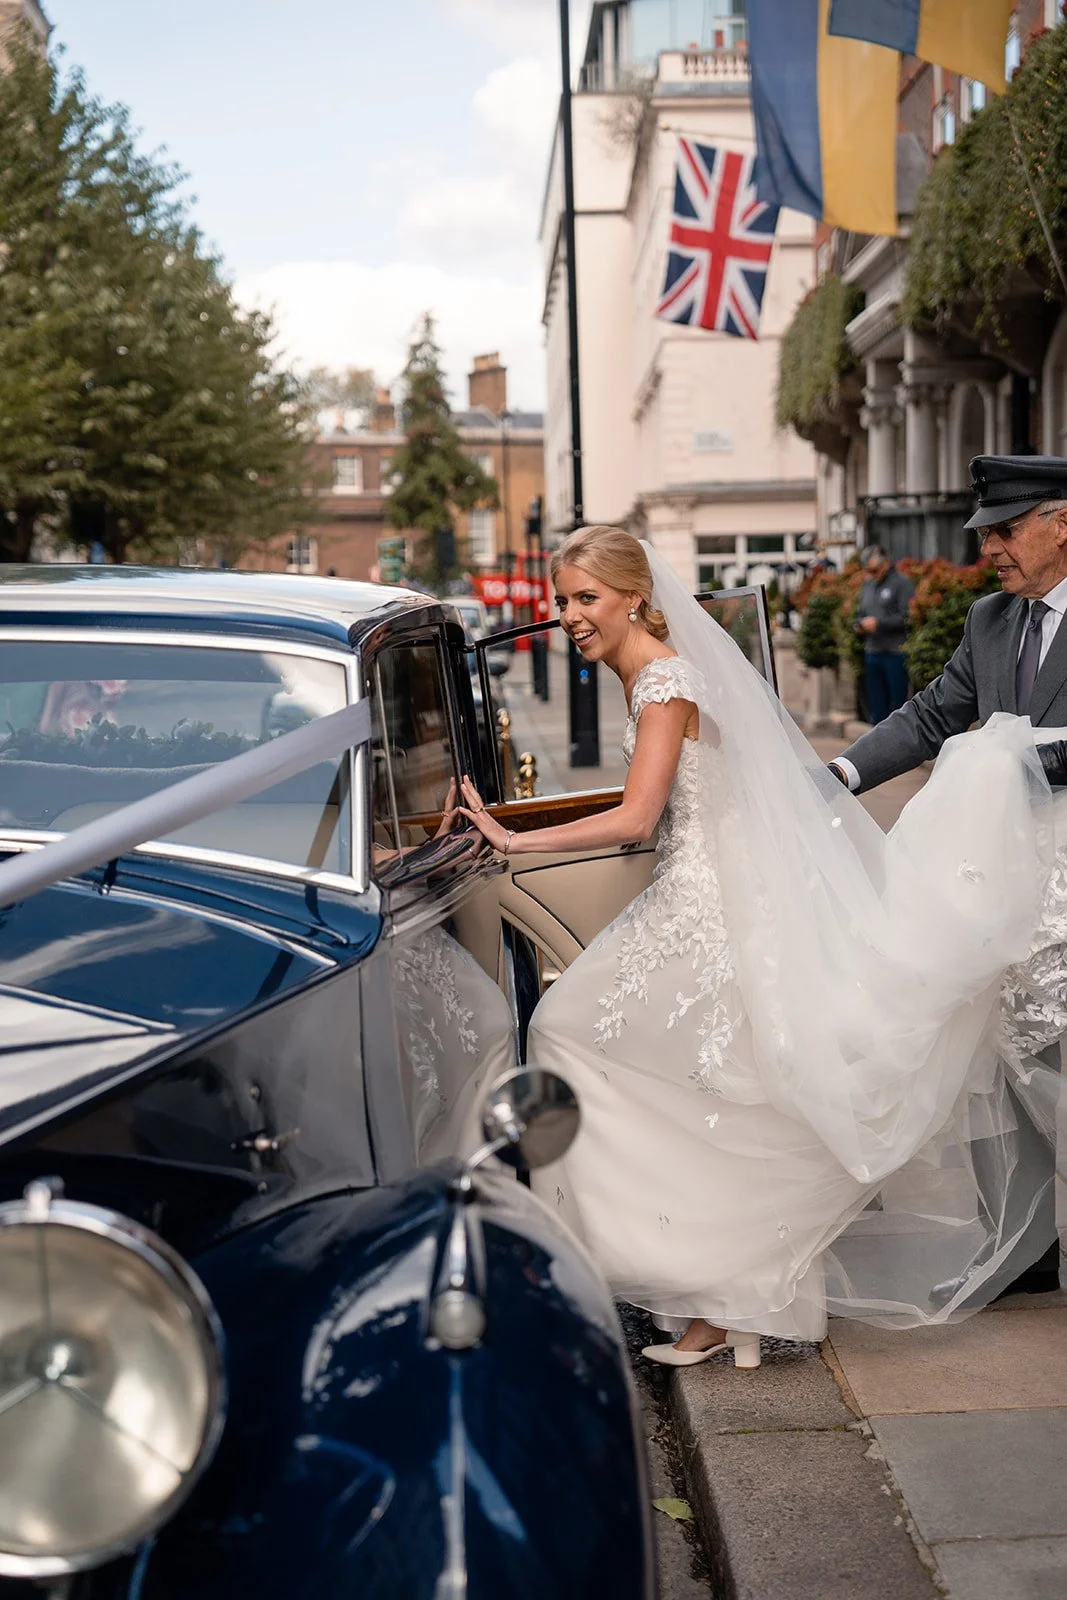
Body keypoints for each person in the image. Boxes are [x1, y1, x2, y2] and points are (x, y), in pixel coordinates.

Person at [457, 523, 1063, 1366]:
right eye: (561, 601)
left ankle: (705, 1283)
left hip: (714, 903)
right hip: (704, 891)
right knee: (687, 1080)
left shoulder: (662, 679)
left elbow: (637, 814)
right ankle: (714, 1292)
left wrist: (513, 843)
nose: (567, 618)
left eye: (583, 599)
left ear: (636, 597)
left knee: (584, 1041)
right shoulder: (653, 672)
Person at [831, 454, 1067, 1301]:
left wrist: (1018, 751)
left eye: (1003, 530)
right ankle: (1021, 1243)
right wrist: (844, 775)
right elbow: (933, 712)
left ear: (1059, 521)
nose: (989, 549)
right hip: (995, 873)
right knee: (992, 1046)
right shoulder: (991, 619)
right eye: (985, 534)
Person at [855, 545, 914, 724]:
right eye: (868, 570)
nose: (872, 574)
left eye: (874, 569)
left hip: (895, 653)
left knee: (897, 707)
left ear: (886, 563)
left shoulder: (902, 584)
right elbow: (860, 614)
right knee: (876, 707)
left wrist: (879, 624)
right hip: (873, 652)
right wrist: (859, 625)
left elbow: (907, 617)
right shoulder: (868, 586)